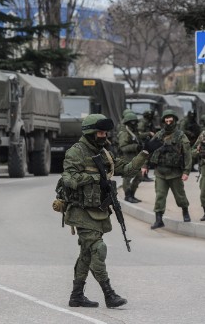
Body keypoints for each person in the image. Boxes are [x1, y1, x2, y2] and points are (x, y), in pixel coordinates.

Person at [61, 113, 150, 309]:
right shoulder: (76, 152)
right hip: (81, 211)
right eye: (100, 132)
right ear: (91, 133)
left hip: (99, 211)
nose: (104, 136)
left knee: (86, 254)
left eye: (105, 132)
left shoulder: (105, 153)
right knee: (98, 250)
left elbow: (126, 169)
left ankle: (76, 296)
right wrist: (94, 178)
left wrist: (143, 155)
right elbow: (69, 179)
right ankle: (109, 294)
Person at [148, 109, 193, 229]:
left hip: (175, 173)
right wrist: (144, 166)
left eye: (170, 120)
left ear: (174, 121)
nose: (168, 123)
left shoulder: (180, 135)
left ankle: (185, 211)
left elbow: (187, 154)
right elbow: (148, 150)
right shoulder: (159, 135)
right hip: (160, 172)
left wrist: (186, 171)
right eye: (166, 121)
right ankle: (158, 219)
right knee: (160, 195)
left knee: (180, 195)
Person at [117, 112, 144, 203]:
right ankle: (127, 196)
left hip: (135, 157)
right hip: (126, 158)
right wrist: (135, 147)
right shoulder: (124, 133)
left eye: (135, 122)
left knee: (139, 176)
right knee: (127, 178)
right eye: (131, 122)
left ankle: (132, 194)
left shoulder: (133, 131)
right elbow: (123, 147)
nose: (134, 124)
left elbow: (138, 138)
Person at [138, 110, 156, 182]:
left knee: (147, 160)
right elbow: (139, 134)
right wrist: (149, 133)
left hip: (148, 143)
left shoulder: (149, 122)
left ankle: (145, 175)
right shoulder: (142, 122)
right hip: (143, 143)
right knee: (144, 160)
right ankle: (142, 176)